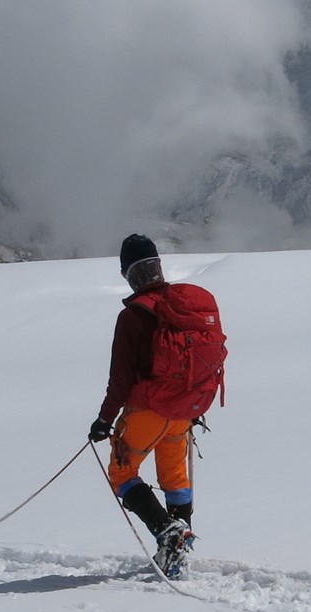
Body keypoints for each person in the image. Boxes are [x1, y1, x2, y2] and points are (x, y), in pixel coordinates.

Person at [91, 234, 226, 579]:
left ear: (127, 273)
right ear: (157, 266)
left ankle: (167, 533)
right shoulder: (182, 306)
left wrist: (104, 420)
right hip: (183, 411)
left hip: (146, 410)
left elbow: (120, 380)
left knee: (121, 473)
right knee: (174, 476)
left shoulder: (134, 316)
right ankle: (180, 545)